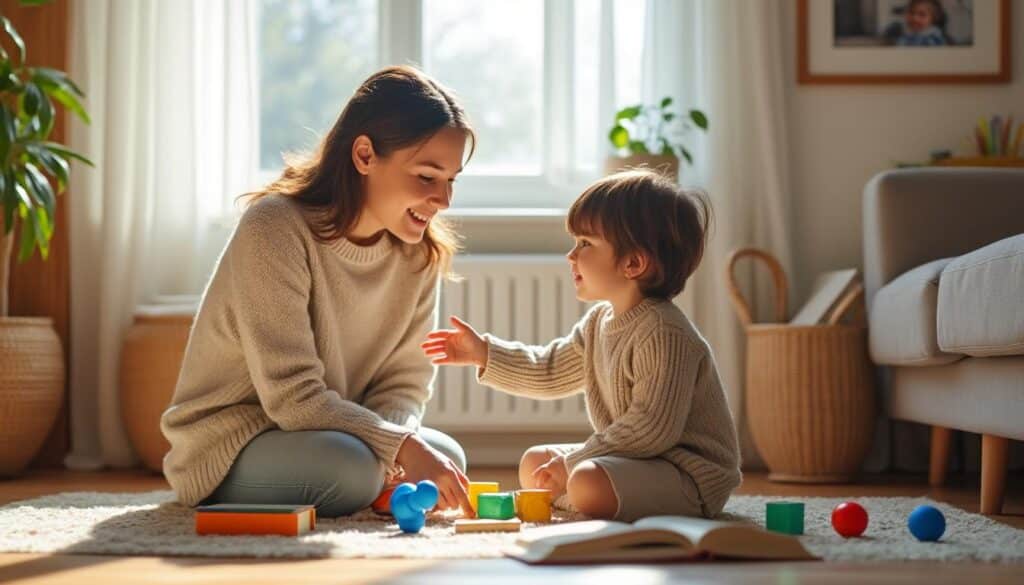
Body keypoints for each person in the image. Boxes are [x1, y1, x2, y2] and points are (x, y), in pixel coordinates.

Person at [161, 65, 476, 518]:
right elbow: (293, 398)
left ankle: (376, 479)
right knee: (355, 471)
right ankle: (373, 483)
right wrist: (400, 449)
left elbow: (403, 386)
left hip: (333, 435)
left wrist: (398, 447)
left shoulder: (419, 255)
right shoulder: (274, 227)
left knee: (448, 458)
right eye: (427, 176)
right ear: (364, 155)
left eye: (451, 180)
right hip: (236, 440)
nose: (443, 200)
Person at [422, 170, 741, 521]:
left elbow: (651, 429)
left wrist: (572, 463)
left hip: (687, 474)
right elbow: (549, 370)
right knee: (535, 462)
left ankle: (579, 498)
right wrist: (484, 353)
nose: (571, 255)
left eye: (585, 244)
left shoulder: (665, 333)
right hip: (640, 460)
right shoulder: (598, 323)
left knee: (585, 480)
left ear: (633, 263)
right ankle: (580, 497)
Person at [884, 0, 949, 46]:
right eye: (911, 13)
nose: (915, 18)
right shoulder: (898, 32)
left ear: (933, 18)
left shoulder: (934, 38)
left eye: (922, 15)